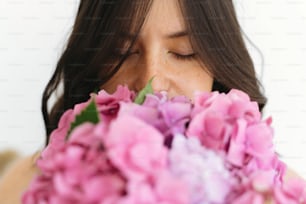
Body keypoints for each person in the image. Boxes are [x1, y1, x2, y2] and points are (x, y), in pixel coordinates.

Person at [0, 0, 301, 203]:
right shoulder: (32, 188)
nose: (151, 83)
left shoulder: (273, 191)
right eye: (120, 51)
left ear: (221, 63)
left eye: (184, 52)